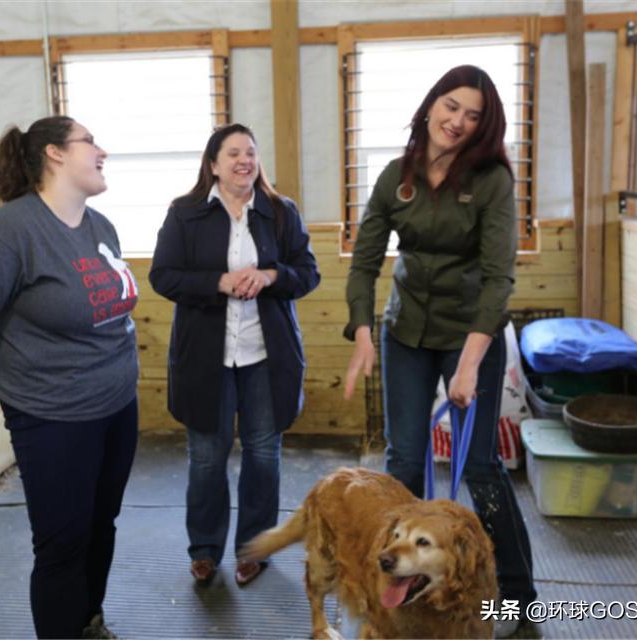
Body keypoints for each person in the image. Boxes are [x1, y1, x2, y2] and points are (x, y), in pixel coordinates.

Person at [342, 65, 537, 638]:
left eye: (473, 115)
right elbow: (365, 259)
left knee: (480, 466)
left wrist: (472, 364)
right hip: (405, 331)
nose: (458, 121)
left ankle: (519, 597)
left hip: (470, 331)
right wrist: (359, 331)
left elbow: (500, 279)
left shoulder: (493, 179)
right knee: (402, 463)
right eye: (451, 106)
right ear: (430, 106)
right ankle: (393, 594)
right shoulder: (394, 177)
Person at [0, 115, 139, 639]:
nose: (102, 151)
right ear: (55, 154)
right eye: (90, 142)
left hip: (116, 404)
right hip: (53, 416)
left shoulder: (100, 226)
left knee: (101, 527)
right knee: (62, 544)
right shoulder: (9, 231)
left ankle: (87, 622)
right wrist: (14, 371)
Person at [150, 123, 320, 587]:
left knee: (264, 455)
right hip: (207, 358)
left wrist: (270, 276)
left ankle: (254, 549)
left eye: (250, 152)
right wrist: (217, 283)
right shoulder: (184, 214)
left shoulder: (281, 212)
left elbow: (308, 273)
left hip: (266, 355)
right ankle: (205, 549)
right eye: (233, 153)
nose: (244, 160)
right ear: (212, 165)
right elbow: (162, 277)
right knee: (207, 457)